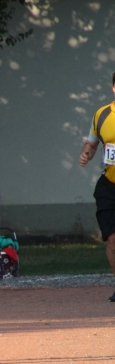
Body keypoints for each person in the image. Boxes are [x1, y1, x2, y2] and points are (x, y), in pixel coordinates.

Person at [79, 72, 115, 301]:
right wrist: (86, 153)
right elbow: (91, 144)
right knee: (112, 239)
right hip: (109, 185)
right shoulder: (102, 115)